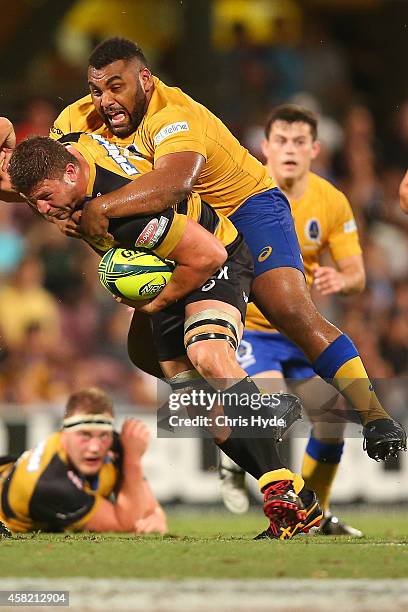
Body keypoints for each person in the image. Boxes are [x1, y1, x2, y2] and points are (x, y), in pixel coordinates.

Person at [40, 37, 405, 461]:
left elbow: (173, 182)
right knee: (144, 349)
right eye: (96, 90)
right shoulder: (76, 118)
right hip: (189, 226)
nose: (105, 101)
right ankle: (255, 430)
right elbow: (45, 173)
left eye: (116, 87)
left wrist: (98, 209)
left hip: (247, 207)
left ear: (145, 79)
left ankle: (375, 415)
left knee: (287, 307)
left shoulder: (174, 114)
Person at [8, 133, 315, 541]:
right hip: (165, 263)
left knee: (206, 353)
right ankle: (299, 499)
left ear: (70, 171)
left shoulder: (123, 212)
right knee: (197, 403)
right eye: (34, 203)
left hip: (211, 258)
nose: (44, 210)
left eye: (46, 197)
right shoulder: (66, 151)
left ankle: (268, 436)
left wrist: (155, 303)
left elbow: (208, 256)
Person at [220, 105, 365, 536]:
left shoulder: (331, 201)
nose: (289, 150)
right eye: (280, 141)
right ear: (264, 147)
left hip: (299, 334)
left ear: (315, 149)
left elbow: (358, 275)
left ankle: (315, 514)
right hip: (251, 329)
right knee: (271, 409)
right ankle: (238, 456)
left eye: (299, 142)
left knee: (332, 418)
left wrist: (343, 278)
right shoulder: (235, 191)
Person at [0, 387, 167, 534]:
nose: (95, 447)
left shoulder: (112, 444)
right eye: (84, 435)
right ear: (64, 434)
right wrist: (133, 460)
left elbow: (149, 508)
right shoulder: (49, 482)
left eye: (103, 435)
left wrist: (157, 516)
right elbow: (126, 525)